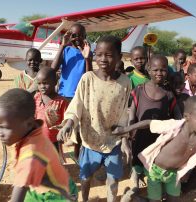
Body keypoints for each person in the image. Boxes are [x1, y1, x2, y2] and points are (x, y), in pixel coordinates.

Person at [0, 89, 74, 202]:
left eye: (3, 128)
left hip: (58, 197)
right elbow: (10, 127)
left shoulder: (30, 157)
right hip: (50, 186)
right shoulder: (31, 130)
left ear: (28, 123)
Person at [55, 35, 131, 202]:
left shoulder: (125, 82)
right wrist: (68, 124)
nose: (103, 59)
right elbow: (77, 105)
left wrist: (125, 138)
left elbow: (123, 111)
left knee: (113, 180)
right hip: (90, 141)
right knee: (86, 177)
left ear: (119, 57)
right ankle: (85, 199)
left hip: (114, 141)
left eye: (109, 55)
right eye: (99, 54)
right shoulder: (87, 79)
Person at [129, 54, 182, 190]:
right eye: (155, 70)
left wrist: (180, 127)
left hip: (158, 137)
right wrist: (130, 130)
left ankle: (153, 183)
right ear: (149, 69)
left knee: (154, 159)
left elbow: (177, 114)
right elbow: (132, 113)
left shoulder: (168, 94)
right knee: (137, 158)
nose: (159, 73)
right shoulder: (139, 90)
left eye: (163, 70)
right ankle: (136, 176)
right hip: (139, 134)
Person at [51, 23, 92, 100]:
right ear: (69, 37)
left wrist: (87, 58)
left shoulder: (88, 52)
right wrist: (62, 45)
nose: (77, 38)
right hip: (63, 93)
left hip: (80, 95)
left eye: (81, 36)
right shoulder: (66, 50)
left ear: (85, 37)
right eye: (74, 36)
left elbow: (89, 75)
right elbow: (53, 68)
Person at [34, 67, 69, 159]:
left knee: (53, 163)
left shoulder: (61, 102)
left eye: (45, 83)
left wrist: (62, 134)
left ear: (55, 82)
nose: (42, 86)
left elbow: (66, 121)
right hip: (37, 139)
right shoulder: (36, 97)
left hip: (54, 140)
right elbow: (33, 116)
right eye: (39, 83)